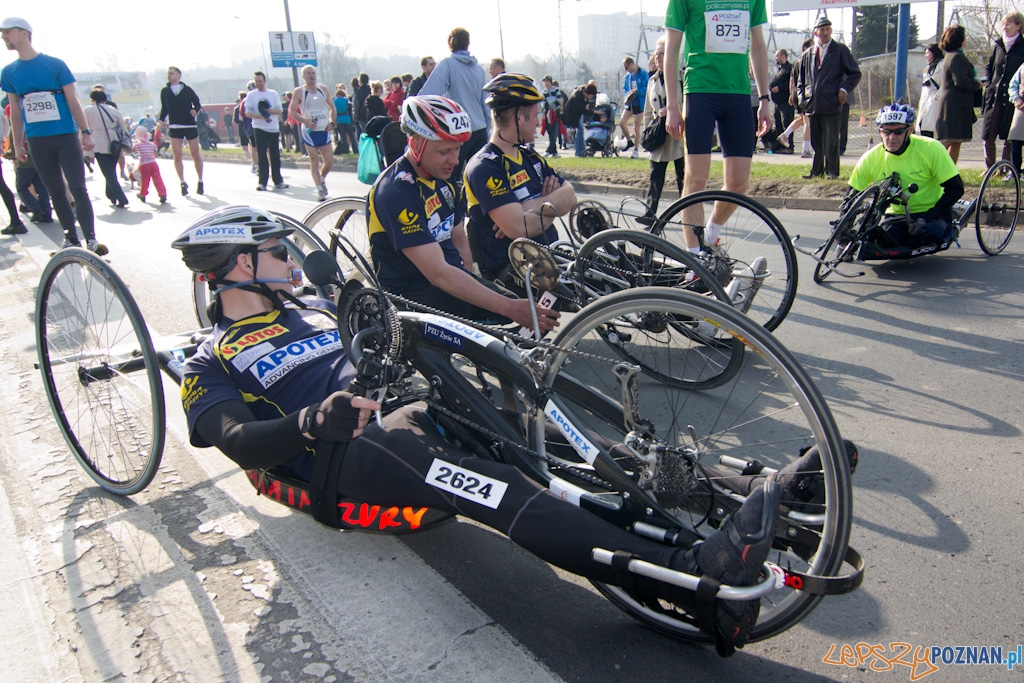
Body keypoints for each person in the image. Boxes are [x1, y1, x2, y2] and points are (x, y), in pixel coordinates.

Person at [170, 202, 792, 654]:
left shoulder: (313, 308)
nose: (290, 258)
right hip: (354, 450)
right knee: (505, 486)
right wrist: (310, 421)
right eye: (277, 251)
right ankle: (694, 573)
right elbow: (234, 440)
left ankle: (740, 489)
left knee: (552, 435)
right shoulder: (212, 358)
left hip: (416, 400)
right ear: (235, 268)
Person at [368, 95, 559, 331]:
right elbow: (438, 273)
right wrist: (508, 307)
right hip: (411, 293)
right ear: (416, 144)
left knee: (513, 308)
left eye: (458, 149)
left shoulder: (445, 181)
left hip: (447, 279)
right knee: (508, 316)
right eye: (445, 151)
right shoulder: (396, 192)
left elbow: (459, 241)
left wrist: (472, 284)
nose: (455, 160)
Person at [662, 0, 772, 251]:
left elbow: (757, 44)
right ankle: (694, 259)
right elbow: (671, 49)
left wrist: (765, 99)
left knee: (738, 184)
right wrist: (672, 106)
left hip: (738, 93)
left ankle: (710, 235)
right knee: (695, 180)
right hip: (700, 91)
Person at [1, 17, 106, 253]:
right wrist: (17, 145)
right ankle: (70, 238)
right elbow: (15, 111)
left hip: (65, 136)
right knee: (54, 191)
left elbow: (72, 100)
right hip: (38, 141)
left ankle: (90, 238)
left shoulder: (55, 64)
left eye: (7, 32)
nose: (3, 37)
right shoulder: (8, 72)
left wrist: (85, 132)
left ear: (24, 33)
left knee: (78, 187)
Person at [464, 74, 577, 282]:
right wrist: (551, 207)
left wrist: (526, 208)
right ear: (519, 117)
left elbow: (570, 196)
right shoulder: (484, 167)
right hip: (518, 273)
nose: (538, 121)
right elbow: (520, 228)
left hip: (551, 260)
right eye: (535, 115)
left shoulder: (529, 155)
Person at [848, 104, 963, 250]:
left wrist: (926, 218)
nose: (891, 137)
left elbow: (955, 189)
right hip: (897, 216)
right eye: (886, 131)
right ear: (880, 131)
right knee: (877, 243)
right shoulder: (871, 158)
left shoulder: (931, 148)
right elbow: (851, 195)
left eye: (898, 132)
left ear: (909, 130)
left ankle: (951, 225)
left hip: (930, 212)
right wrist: (843, 233)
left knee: (931, 236)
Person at [793, 17, 861, 180]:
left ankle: (832, 171)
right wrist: (802, 98)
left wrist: (843, 90)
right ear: (816, 32)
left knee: (831, 139)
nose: (824, 33)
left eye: (827, 29)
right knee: (816, 139)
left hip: (832, 101)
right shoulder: (808, 54)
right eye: (821, 30)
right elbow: (800, 79)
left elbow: (855, 73)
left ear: (831, 31)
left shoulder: (840, 50)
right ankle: (817, 170)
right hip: (812, 102)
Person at [419, 27, 490, 182]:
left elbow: (429, 94)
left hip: (459, 130)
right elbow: (485, 102)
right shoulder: (478, 69)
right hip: (480, 129)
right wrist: (488, 128)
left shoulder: (448, 64)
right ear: (468, 44)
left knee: (451, 178)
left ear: (450, 44)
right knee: (478, 178)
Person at [638, 37, 685, 224]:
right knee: (655, 177)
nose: (657, 56)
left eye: (662, 53)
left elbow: (691, 104)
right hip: (659, 134)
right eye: (656, 53)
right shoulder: (652, 80)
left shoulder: (683, 76)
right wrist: (648, 132)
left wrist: (674, 110)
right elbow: (648, 112)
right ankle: (650, 214)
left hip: (680, 135)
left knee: (684, 178)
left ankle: (687, 215)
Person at [980, 11, 1024, 169]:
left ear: (1018, 26)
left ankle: (1006, 167)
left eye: (1009, 24)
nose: (1004, 27)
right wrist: (990, 83)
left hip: (1012, 98)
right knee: (988, 134)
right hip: (995, 96)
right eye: (1003, 24)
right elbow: (989, 66)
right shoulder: (998, 45)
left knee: (1009, 136)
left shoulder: (1022, 46)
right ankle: (990, 168)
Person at [935, 24, 981, 164]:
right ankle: (928, 166)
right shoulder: (956, 57)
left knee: (957, 140)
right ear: (959, 39)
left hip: (957, 103)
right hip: (954, 105)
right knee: (947, 140)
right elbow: (961, 81)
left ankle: (950, 172)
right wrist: (977, 85)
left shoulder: (952, 55)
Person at [290, 65, 337, 202]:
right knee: (314, 160)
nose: (312, 75)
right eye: (308, 73)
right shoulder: (299, 91)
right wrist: (305, 120)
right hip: (309, 131)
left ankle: (322, 179)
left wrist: (332, 122)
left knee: (329, 161)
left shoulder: (323, 89)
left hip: (323, 129)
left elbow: (332, 108)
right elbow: (292, 111)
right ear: (303, 76)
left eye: (313, 73)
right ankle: (319, 190)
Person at [158, 66, 204, 196]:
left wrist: (195, 111)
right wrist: (161, 120)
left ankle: (200, 181)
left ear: (179, 75)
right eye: (168, 74)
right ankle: (182, 182)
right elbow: (164, 108)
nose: (169, 75)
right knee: (177, 155)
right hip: (175, 126)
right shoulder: (165, 91)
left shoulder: (187, 90)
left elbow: (197, 103)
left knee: (195, 153)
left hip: (189, 125)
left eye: (171, 73)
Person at [83, 89, 130, 208]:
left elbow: (82, 128)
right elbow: (123, 128)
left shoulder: (87, 111)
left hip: (98, 144)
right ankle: (110, 195)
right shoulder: (113, 110)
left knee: (108, 173)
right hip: (115, 143)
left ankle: (121, 198)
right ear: (106, 99)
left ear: (92, 99)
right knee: (111, 171)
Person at [244, 71, 289, 192]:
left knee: (275, 155)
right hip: (259, 128)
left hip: (273, 128)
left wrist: (267, 111)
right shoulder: (251, 95)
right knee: (262, 155)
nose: (258, 83)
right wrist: (260, 115)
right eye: (256, 81)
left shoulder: (272, 94)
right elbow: (248, 113)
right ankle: (262, 182)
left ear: (265, 81)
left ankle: (278, 180)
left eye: (260, 81)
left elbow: (279, 110)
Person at [620, 56, 649, 158]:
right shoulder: (628, 77)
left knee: (636, 126)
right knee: (622, 122)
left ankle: (636, 150)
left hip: (640, 103)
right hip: (630, 103)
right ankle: (629, 141)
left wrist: (638, 91)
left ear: (631, 64)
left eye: (626, 67)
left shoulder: (643, 74)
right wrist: (627, 94)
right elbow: (624, 88)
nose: (626, 70)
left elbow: (648, 88)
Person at [132, 126, 166, 203]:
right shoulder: (152, 145)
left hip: (144, 164)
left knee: (145, 180)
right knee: (157, 179)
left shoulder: (138, 145)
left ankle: (143, 194)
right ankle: (162, 194)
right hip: (153, 164)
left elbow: (131, 151)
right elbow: (155, 154)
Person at [563, 82, 597, 158]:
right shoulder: (577, 96)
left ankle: (581, 150)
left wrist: (587, 103)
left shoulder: (583, 90)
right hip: (572, 114)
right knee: (580, 131)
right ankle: (578, 152)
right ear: (587, 93)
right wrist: (595, 112)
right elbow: (582, 110)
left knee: (580, 131)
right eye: (590, 96)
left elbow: (585, 103)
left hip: (578, 114)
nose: (590, 98)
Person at [916, 44, 943, 138]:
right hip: (926, 100)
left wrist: (937, 96)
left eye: (928, 53)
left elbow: (945, 84)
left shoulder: (942, 65)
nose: (925, 55)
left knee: (933, 130)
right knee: (924, 127)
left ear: (934, 52)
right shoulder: (928, 67)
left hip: (935, 101)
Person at [770, 49, 794, 151]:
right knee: (778, 124)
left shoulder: (790, 68)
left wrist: (779, 87)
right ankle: (780, 146)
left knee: (787, 124)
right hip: (777, 102)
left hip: (786, 102)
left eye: (777, 56)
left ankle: (789, 146)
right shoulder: (780, 70)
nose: (775, 58)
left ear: (783, 56)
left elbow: (791, 82)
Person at [540, 75, 564, 158]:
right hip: (547, 115)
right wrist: (552, 102)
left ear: (550, 82)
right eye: (544, 81)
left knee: (555, 133)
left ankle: (548, 151)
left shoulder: (556, 90)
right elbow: (543, 104)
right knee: (550, 133)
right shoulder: (543, 92)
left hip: (555, 114)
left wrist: (550, 103)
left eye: (547, 81)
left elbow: (559, 101)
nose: (546, 83)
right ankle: (554, 152)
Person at [1008, 60, 1024, 174]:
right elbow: (1012, 86)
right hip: (1021, 108)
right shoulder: (1022, 67)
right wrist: (1016, 98)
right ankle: (1015, 171)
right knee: (1015, 141)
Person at [234, 90, 255, 173]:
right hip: (251, 128)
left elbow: (236, 120)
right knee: (253, 147)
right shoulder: (251, 105)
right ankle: (254, 161)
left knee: (245, 149)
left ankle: (253, 161)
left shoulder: (237, 108)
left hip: (242, 130)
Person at [333, 85, 357, 154]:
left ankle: (346, 150)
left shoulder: (334, 101)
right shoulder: (346, 100)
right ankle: (355, 150)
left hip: (339, 120)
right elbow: (350, 110)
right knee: (351, 136)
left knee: (343, 136)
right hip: (347, 119)